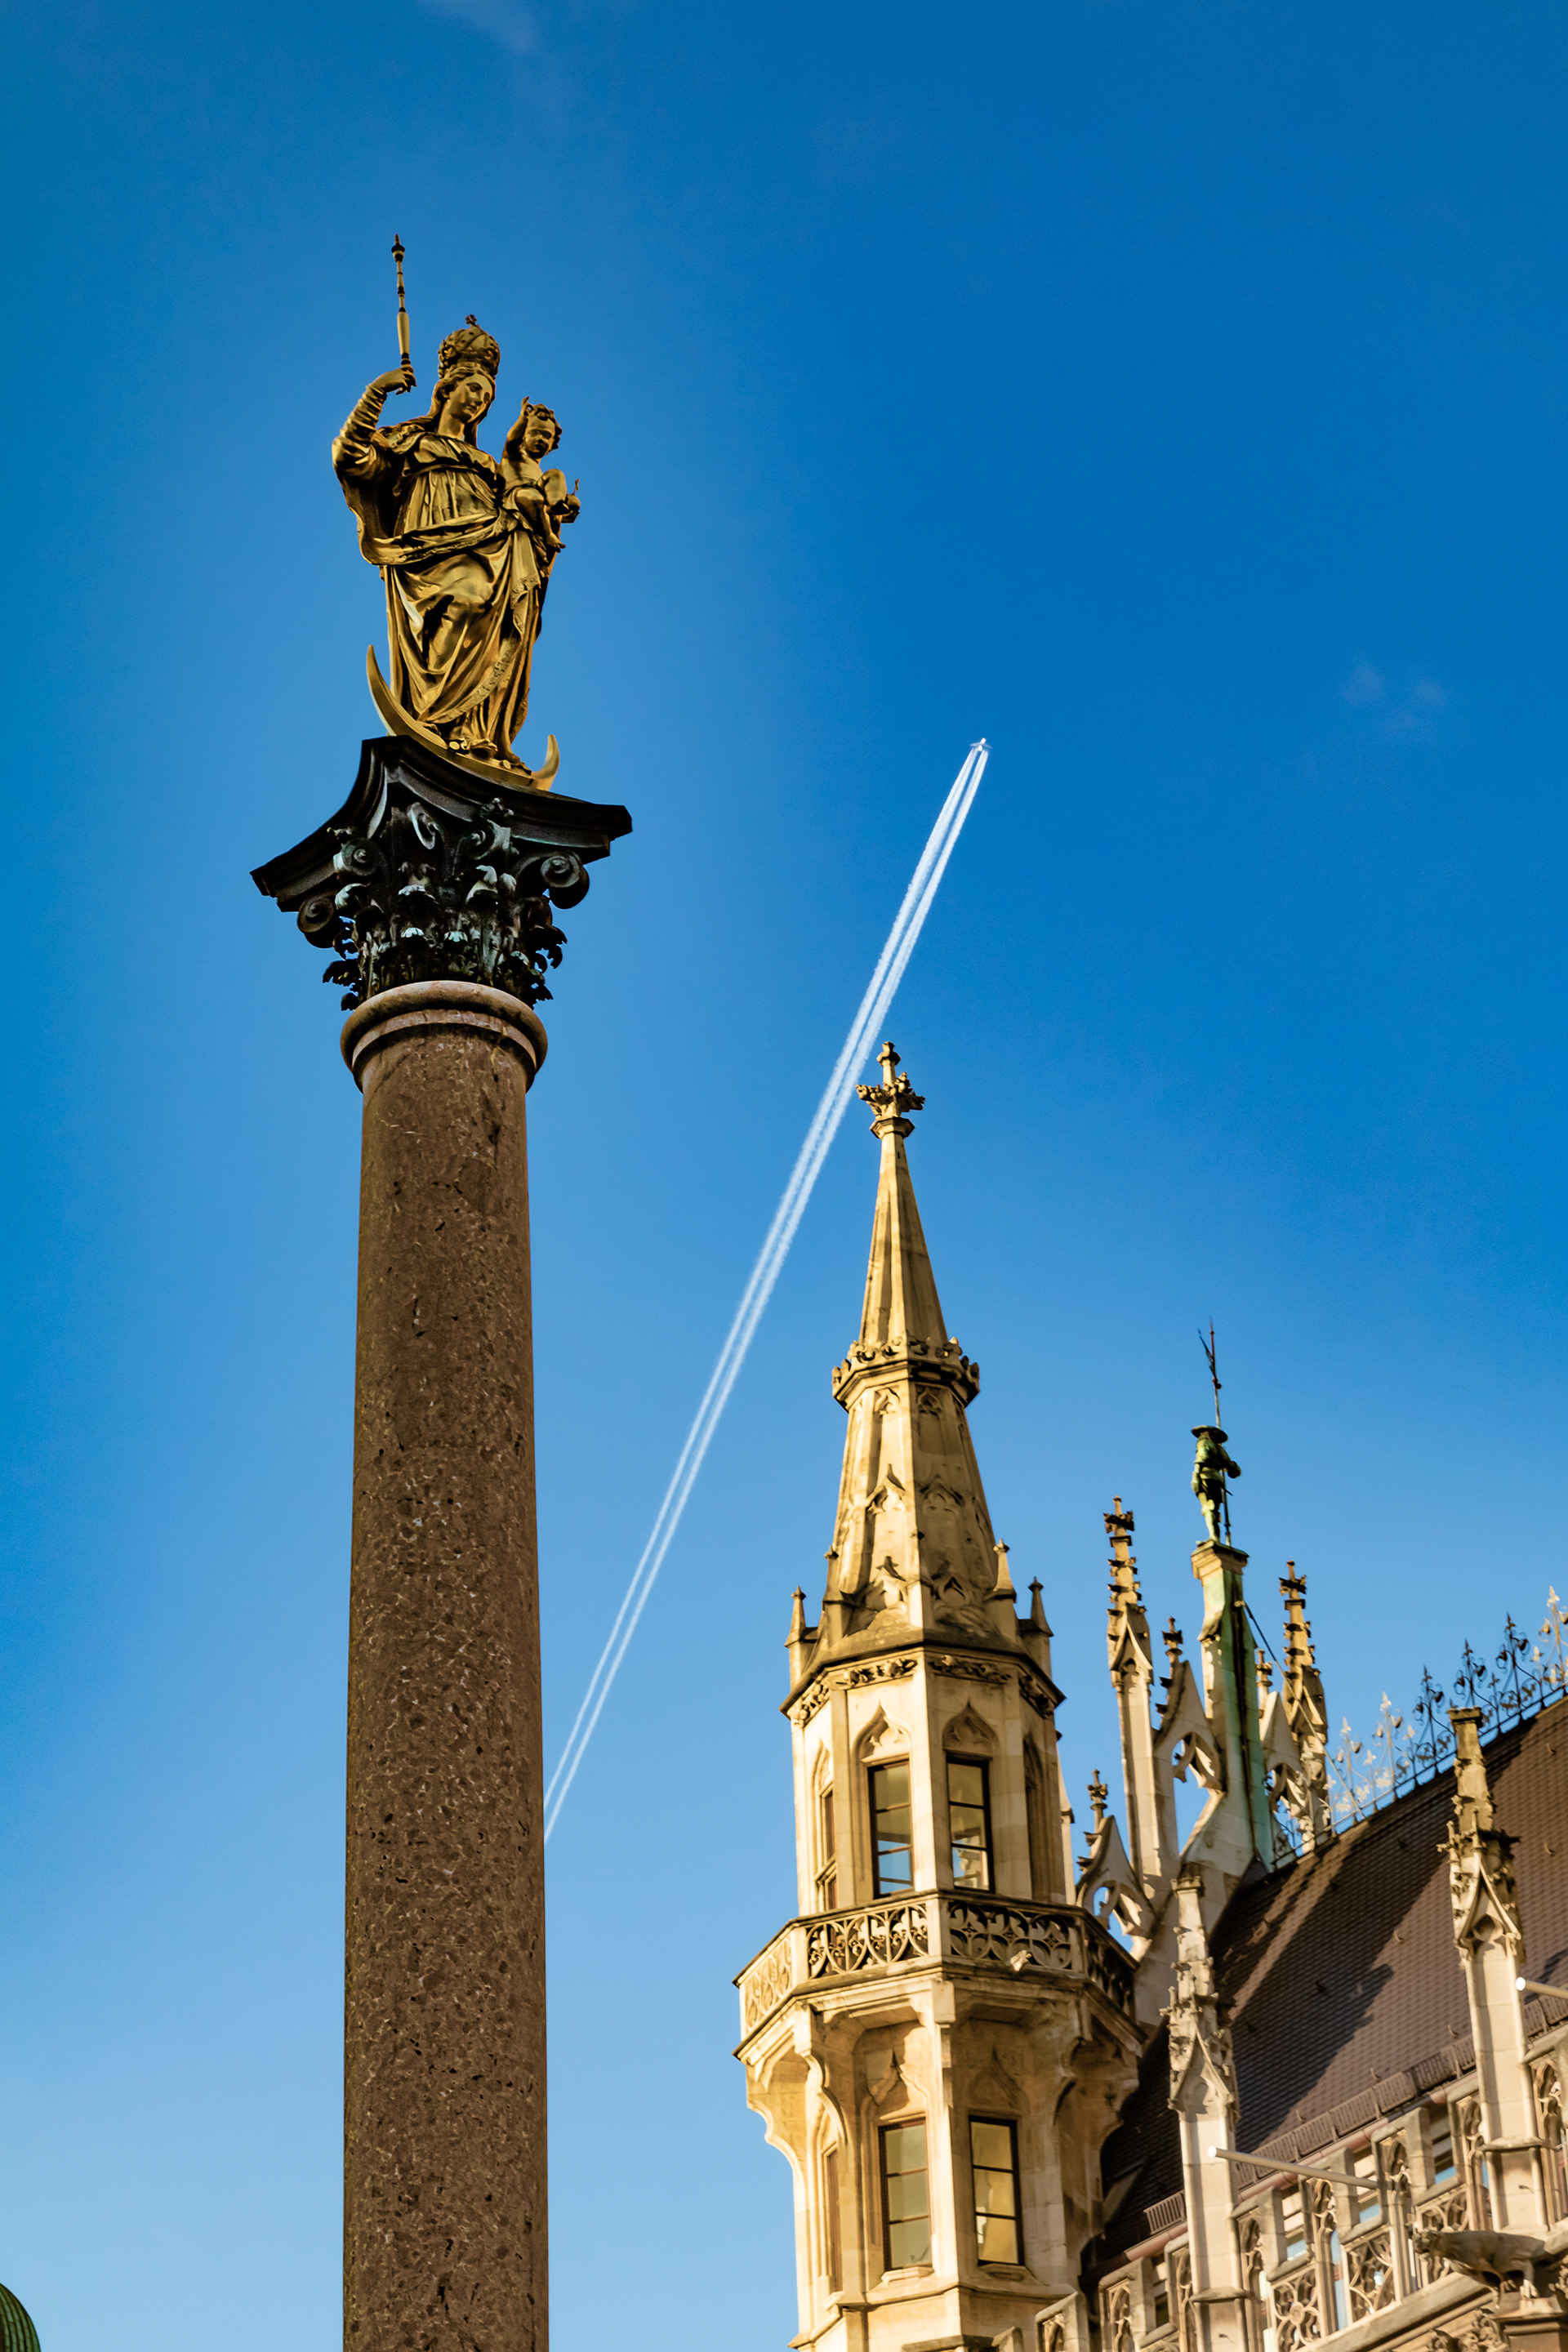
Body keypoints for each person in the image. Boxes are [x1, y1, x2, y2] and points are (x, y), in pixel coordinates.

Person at [332, 319, 578, 769]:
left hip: (493, 539)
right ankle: (435, 716)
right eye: (474, 390)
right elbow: (350, 455)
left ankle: (475, 734)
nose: (480, 401)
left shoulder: (487, 462)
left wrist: (550, 513)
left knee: (497, 621)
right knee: (463, 600)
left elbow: (519, 497)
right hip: (429, 546)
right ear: (448, 388)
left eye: (487, 397)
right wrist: (377, 391)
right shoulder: (412, 442)